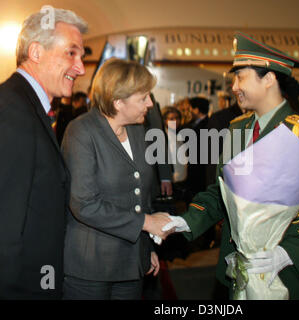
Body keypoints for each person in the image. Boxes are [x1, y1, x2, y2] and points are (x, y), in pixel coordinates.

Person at [161, 32, 299, 299]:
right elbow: (220, 193)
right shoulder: (237, 130)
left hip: (288, 281)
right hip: (238, 277)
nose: (234, 86)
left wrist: (288, 254)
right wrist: (184, 221)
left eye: (241, 77)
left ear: (269, 78)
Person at [61, 58, 172, 300]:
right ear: (118, 102)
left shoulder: (137, 130)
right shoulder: (81, 131)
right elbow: (84, 204)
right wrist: (146, 222)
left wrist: (147, 247)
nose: (150, 104)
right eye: (143, 98)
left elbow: (141, 195)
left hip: (132, 263)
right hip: (90, 267)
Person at [0, 8, 87, 299]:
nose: (81, 68)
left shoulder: (26, 107)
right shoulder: (12, 113)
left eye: (82, 56)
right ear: (36, 52)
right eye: (71, 54)